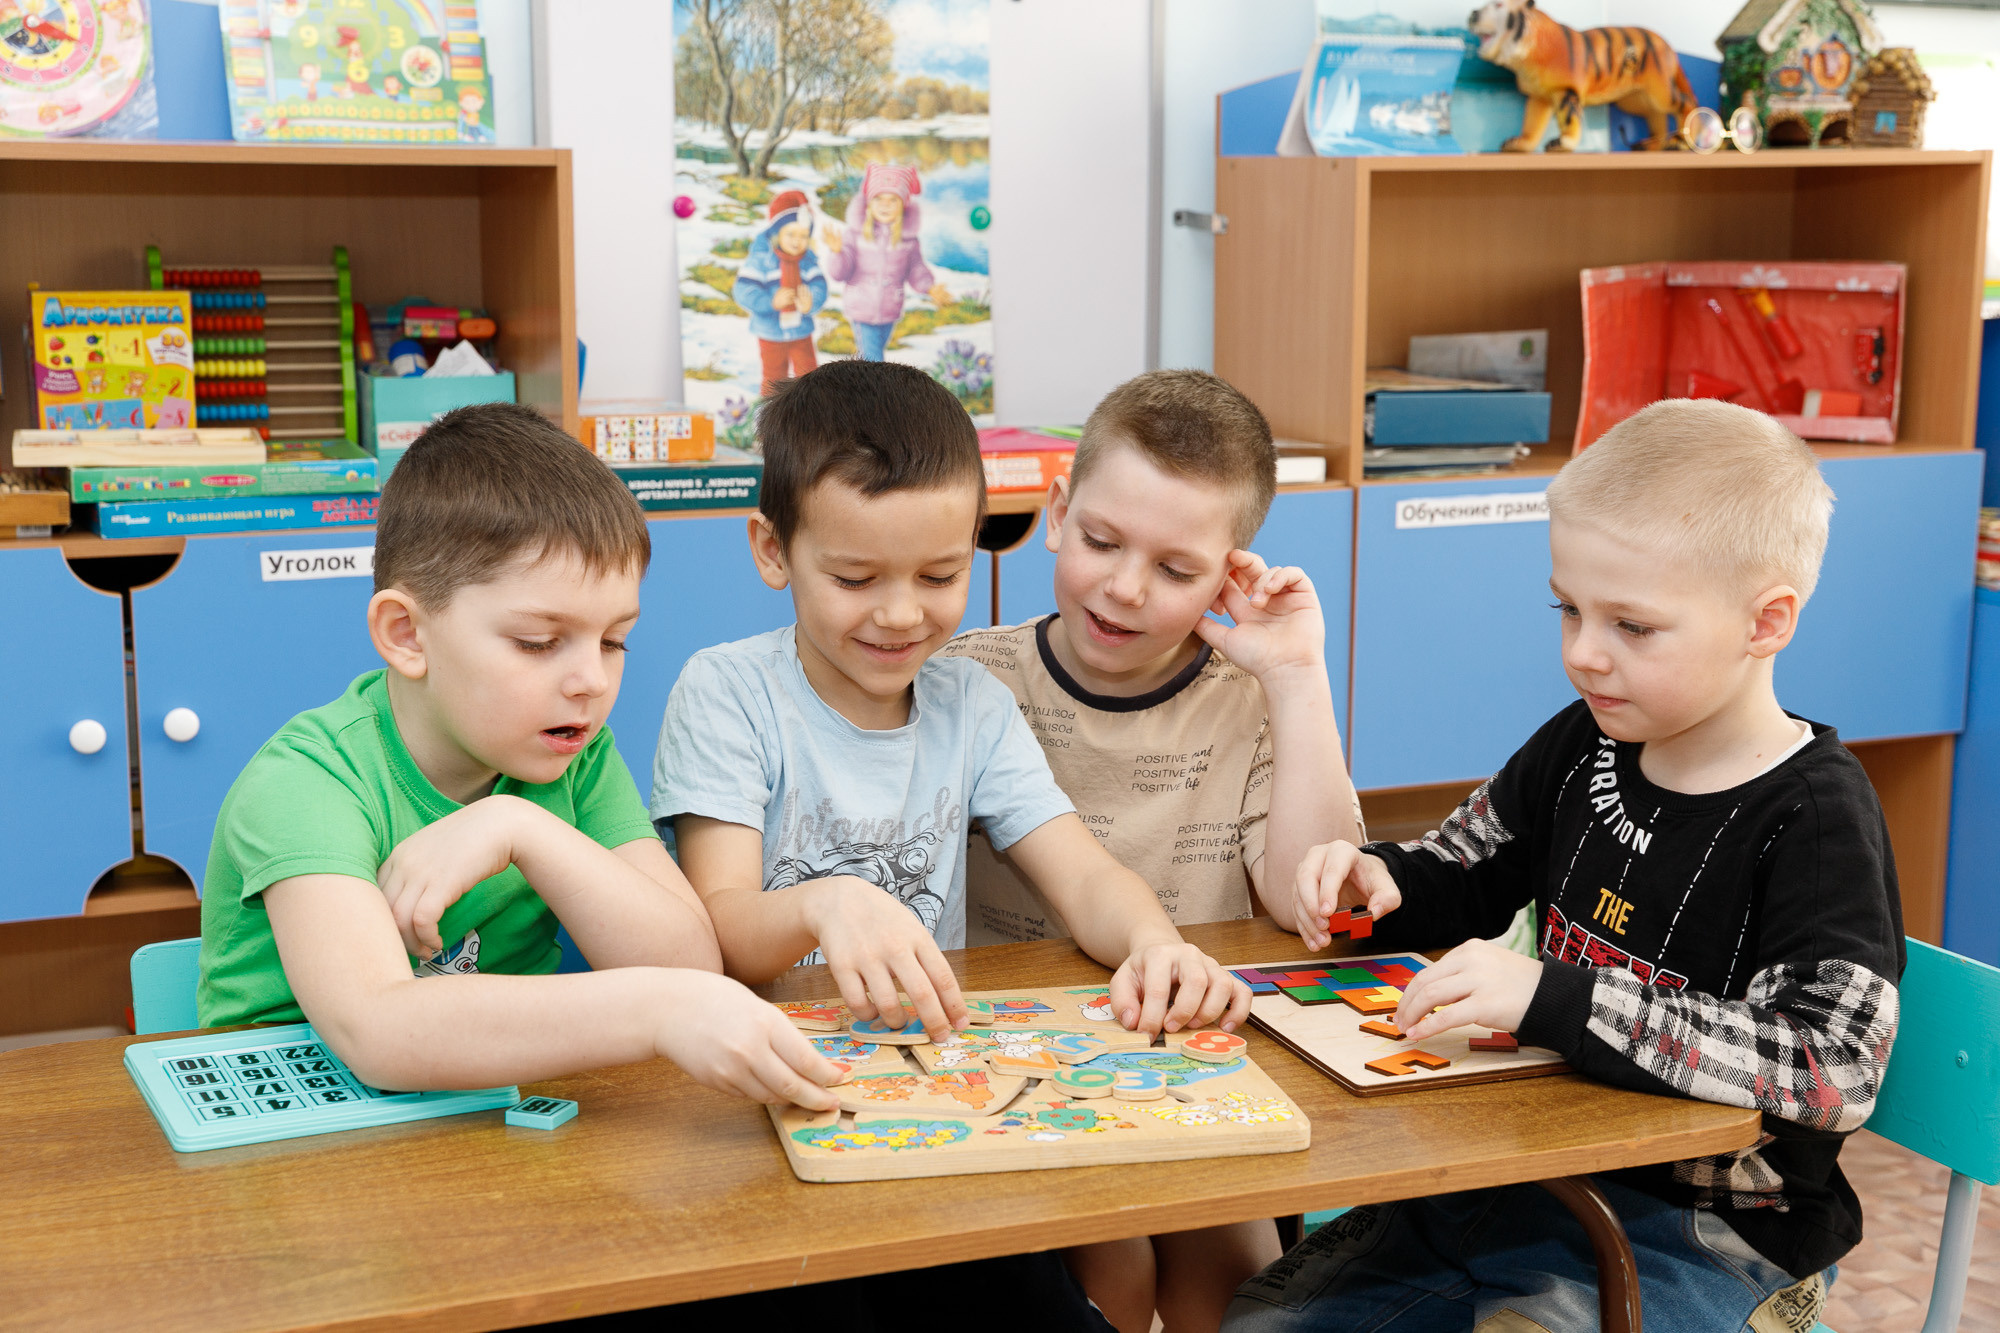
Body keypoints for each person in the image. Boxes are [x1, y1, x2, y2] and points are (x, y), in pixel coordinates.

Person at [1231, 399, 1903, 1333]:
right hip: (1523, 1170)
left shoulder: (1817, 817)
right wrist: (1380, 882)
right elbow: (1463, 866)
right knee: (1260, 1322)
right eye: (1570, 608)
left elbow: (1832, 1068)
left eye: (1633, 624)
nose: (1584, 652)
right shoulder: (1585, 741)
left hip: (1714, 1230)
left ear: (1767, 622)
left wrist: (1555, 998)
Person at [197, 401, 842, 1114]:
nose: (591, 681)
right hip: (291, 1133)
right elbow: (376, 1027)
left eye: (613, 640)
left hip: (485, 1120)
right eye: (539, 642)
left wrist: (524, 829)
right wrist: (656, 1011)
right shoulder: (307, 780)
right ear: (407, 633)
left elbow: (687, 963)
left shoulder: (575, 755)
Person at [652, 358, 1250, 1046]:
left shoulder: (973, 705)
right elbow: (720, 926)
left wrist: (1153, 943)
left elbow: (1085, 878)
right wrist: (826, 903)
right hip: (758, 1049)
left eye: (940, 575)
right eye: (855, 578)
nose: (902, 614)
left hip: (922, 1055)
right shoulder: (727, 692)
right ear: (773, 549)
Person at [941, 368, 1364, 1333]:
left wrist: (1297, 676)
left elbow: (1326, 909)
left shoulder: (1252, 695)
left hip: (1198, 1063)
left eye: (1177, 570)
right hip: (1018, 1071)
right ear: (1055, 512)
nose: (1125, 589)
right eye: (1100, 542)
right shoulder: (967, 681)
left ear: (1231, 574)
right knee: (1110, 1273)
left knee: (1247, 1285)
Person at [823, 162, 953, 362]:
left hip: (890, 308)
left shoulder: (908, 240)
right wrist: (837, 252)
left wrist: (930, 287)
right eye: (878, 199)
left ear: (903, 205)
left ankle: (857, 387)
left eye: (893, 200)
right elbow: (840, 273)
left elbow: (916, 269)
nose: (885, 205)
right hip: (861, 307)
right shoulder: (855, 235)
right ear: (868, 203)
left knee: (871, 358)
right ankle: (875, 392)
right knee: (874, 361)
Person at [733, 189, 828, 394]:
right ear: (777, 233)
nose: (797, 240)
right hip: (770, 333)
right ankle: (770, 419)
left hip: (801, 330)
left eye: (803, 235)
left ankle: (808, 417)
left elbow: (819, 285)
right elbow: (743, 289)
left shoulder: (807, 262)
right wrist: (770, 302)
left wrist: (811, 302)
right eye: (790, 234)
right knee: (774, 377)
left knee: (808, 375)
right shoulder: (762, 261)